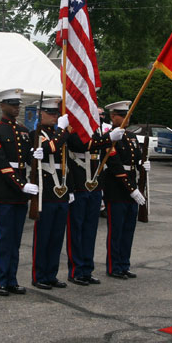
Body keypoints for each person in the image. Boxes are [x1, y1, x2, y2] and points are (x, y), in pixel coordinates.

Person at [0, 88, 36, 296]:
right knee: (4, 237)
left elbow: (26, 158)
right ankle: (0, 280)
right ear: (2, 106)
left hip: (20, 191)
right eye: (13, 104)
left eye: (18, 104)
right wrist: (20, 184)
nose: (17, 108)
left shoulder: (23, 130)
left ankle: (12, 279)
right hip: (5, 189)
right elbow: (0, 162)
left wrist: (36, 154)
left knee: (15, 238)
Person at [65, 114, 123, 285]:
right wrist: (108, 138)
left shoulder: (97, 129)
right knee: (77, 230)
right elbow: (81, 144)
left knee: (90, 230)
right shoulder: (74, 127)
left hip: (95, 185)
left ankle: (86, 269)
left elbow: (102, 151)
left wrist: (110, 138)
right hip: (79, 184)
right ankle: (75, 270)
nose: (98, 116)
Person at [102, 100, 149, 279]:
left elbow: (135, 159)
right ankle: (114, 266)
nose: (126, 118)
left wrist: (143, 163)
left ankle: (124, 264)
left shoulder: (131, 136)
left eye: (127, 115)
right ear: (113, 117)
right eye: (122, 115)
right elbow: (116, 167)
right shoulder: (110, 137)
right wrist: (132, 190)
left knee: (128, 229)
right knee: (116, 231)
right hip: (116, 189)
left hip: (131, 188)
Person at [30, 99, 71, 290]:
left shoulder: (58, 133)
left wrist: (69, 188)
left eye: (56, 113)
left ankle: (51, 274)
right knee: (43, 237)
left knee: (57, 236)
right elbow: (49, 149)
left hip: (61, 190)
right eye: (50, 113)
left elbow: (66, 163)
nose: (54, 116)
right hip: (46, 191)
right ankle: (39, 276)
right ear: (41, 113)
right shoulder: (37, 134)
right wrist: (63, 130)